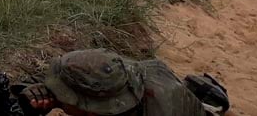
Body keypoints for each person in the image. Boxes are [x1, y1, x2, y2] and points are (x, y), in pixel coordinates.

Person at [22, 49, 209, 115]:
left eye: (63, 95)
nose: (57, 95)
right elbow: (47, 81)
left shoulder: (157, 108)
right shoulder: (104, 71)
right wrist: (30, 97)